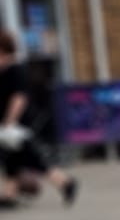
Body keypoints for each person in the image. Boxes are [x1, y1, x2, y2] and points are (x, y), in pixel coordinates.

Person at [0, 28, 76, 209]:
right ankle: (10, 194)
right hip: (8, 125)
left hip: (17, 126)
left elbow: (19, 97)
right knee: (11, 160)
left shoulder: (15, 70)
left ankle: (65, 182)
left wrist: (10, 121)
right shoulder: (4, 71)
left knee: (31, 158)